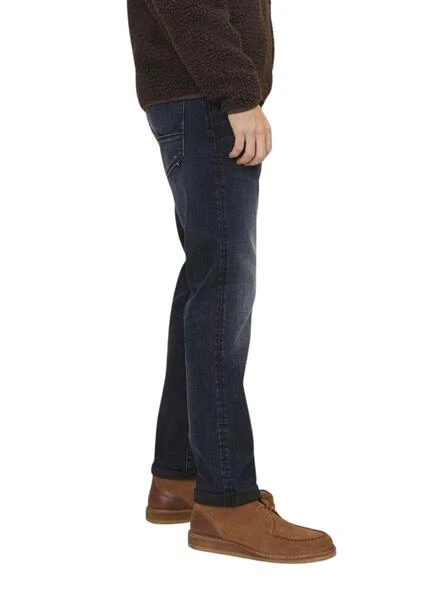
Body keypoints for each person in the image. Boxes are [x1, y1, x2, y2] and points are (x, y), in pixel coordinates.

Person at [127, 0, 336, 563]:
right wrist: (238, 94)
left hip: (197, 97)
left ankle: (181, 477)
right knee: (223, 290)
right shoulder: (220, 96)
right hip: (206, 99)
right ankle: (226, 501)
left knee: (205, 282)